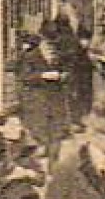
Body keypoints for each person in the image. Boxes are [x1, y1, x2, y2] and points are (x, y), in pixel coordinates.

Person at [19, 32, 75, 162]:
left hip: (56, 101)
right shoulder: (30, 56)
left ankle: (53, 168)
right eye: (48, 44)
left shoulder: (59, 56)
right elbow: (25, 77)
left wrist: (62, 76)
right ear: (42, 42)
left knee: (56, 136)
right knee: (40, 137)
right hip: (39, 101)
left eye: (53, 44)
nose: (51, 47)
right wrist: (42, 76)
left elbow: (69, 72)